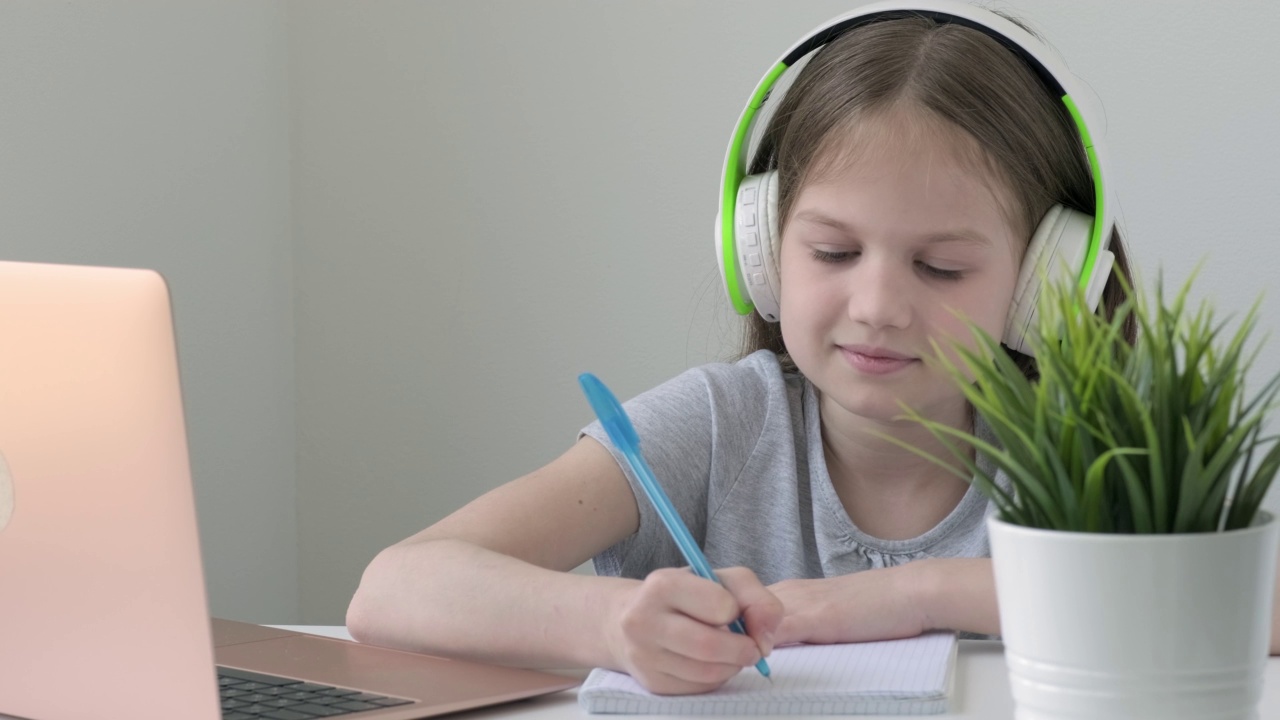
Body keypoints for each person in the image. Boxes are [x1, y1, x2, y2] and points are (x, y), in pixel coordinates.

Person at [347, 3, 1144, 695]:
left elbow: (1266, 606)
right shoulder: (721, 425)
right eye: (833, 253)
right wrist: (615, 623)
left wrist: (916, 596)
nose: (876, 308)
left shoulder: (1077, 450)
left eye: (940, 267)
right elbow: (393, 589)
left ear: (1048, 282)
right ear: (760, 249)